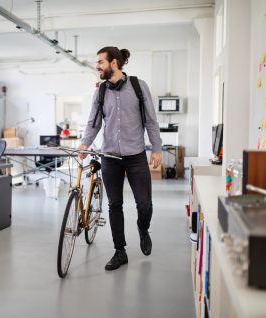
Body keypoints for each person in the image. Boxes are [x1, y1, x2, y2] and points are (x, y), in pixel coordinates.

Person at [78, 46, 162, 271]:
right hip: (109, 157)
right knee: (115, 204)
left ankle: (143, 230)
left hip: (136, 156)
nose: (97, 66)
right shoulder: (101, 91)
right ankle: (120, 251)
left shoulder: (138, 86)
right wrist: (85, 143)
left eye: (101, 62)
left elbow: (151, 121)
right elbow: (93, 122)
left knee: (144, 204)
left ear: (114, 63)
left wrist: (156, 148)